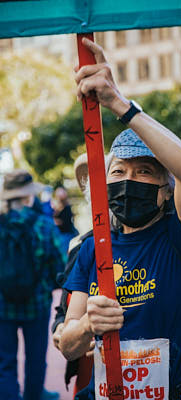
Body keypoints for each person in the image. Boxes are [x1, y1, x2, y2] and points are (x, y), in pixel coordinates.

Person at [60, 38, 181, 399]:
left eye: (145, 171)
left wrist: (116, 102)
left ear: (164, 188)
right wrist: (86, 327)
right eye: (119, 171)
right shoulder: (91, 249)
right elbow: (67, 346)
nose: (129, 180)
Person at [0, 169, 67, 400]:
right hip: (37, 303)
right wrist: (46, 285)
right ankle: (34, 394)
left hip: (2, 306)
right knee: (36, 358)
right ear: (29, 196)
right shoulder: (43, 224)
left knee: (5, 361)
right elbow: (59, 264)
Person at [52, 153, 94, 398]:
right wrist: (60, 329)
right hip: (89, 376)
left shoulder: (167, 243)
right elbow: (62, 311)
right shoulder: (81, 246)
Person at [53, 186, 79, 253]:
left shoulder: (67, 207)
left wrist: (54, 221)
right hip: (61, 235)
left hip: (67, 235)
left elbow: (65, 222)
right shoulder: (56, 207)